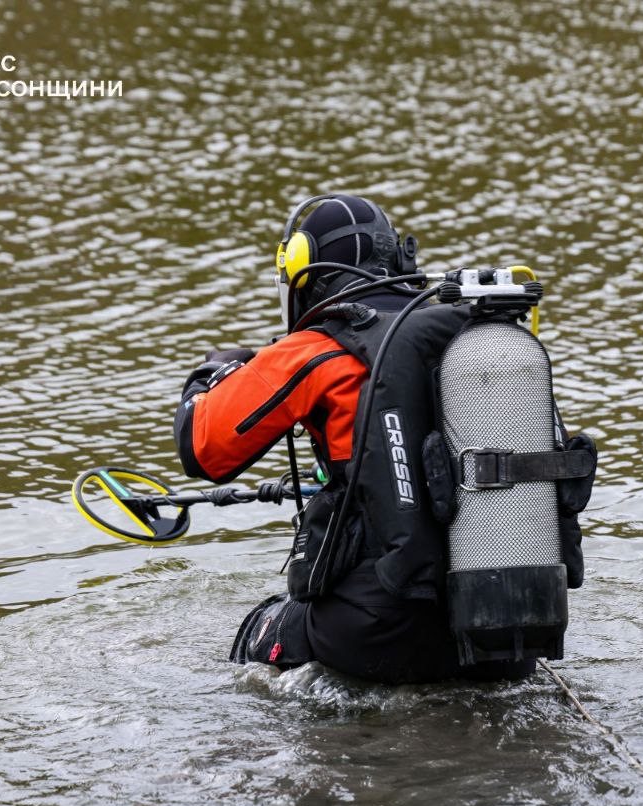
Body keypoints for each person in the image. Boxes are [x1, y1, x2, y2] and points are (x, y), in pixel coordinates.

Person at [173, 194, 589, 684]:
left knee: (258, 630)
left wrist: (212, 373)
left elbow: (202, 451)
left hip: (372, 634)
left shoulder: (314, 350)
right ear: (400, 259)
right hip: (503, 637)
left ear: (305, 267)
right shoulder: (479, 343)